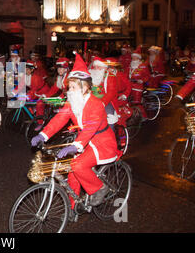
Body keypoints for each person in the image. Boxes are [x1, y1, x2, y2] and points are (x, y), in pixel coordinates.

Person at [30, 53, 120, 214]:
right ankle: (72, 206)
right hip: (85, 142)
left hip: (101, 143)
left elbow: (90, 129)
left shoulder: (96, 104)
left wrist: (75, 146)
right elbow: (60, 118)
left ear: (84, 87)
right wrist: (43, 135)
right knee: (72, 171)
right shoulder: (73, 101)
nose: (69, 90)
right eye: (68, 87)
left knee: (77, 165)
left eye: (73, 87)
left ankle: (99, 188)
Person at [89, 57, 119, 130]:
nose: (96, 69)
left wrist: (102, 103)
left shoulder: (110, 76)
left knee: (109, 118)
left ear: (104, 68)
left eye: (98, 66)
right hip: (91, 100)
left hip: (106, 101)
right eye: (95, 66)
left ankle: (110, 135)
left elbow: (111, 93)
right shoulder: (90, 76)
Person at [128, 47, 151, 119]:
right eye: (133, 57)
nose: (133, 59)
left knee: (137, 103)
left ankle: (144, 116)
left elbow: (148, 76)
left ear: (138, 58)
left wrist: (142, 80)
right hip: (129, 86)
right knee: (129, 102)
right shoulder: (130, 66)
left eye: (135, 57)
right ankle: (133, 116)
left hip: (138, 87)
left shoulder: (143, 66)